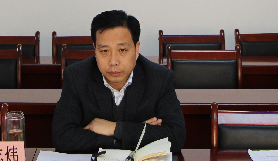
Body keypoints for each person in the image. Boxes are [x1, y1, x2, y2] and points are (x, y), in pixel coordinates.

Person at [52, 10, 186, 153]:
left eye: (122, 50)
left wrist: (114, 128)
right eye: (104, 51)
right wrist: (133, 134)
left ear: (137, 49)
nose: (113, 61)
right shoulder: (76, 77)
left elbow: (175, 137)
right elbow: (62, 137)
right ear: (95, 49)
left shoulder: (160, 78)